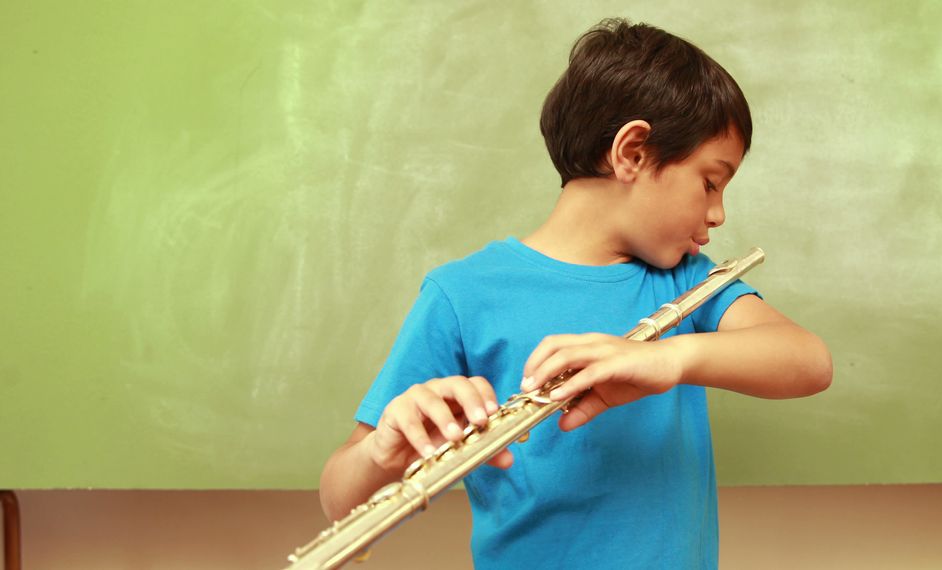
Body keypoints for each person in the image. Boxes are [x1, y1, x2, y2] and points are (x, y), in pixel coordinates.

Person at [319, 17, 832, 569]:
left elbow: (809, 362)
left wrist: (669, 357)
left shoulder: (686, 280)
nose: (718, 213)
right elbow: (339, 501)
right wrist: (380, 451)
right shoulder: (463, 294)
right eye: (710, 182)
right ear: (632, 152)